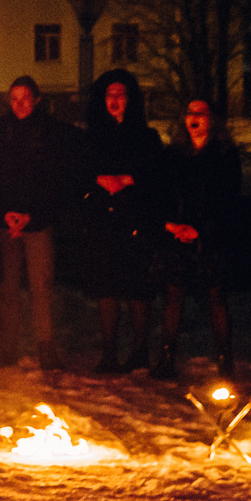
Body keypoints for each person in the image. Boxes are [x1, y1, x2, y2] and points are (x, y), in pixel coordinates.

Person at [0, 75, 83, 370]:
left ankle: (46, 347)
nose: (20, 105)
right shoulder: (2, 132)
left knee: (41, 286)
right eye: (14, 99)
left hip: (37, 221)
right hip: (8, 222)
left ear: (37, 99)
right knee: (9, 286)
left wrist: (33, 215)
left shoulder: (50, 133)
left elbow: (54, 180)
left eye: (25, 98)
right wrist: (6, 213)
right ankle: (7, 346)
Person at [78, 68, 163, 373]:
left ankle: (140, 350)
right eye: (109, 95)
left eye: (120, 95)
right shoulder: (92, 136)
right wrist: (98, 180)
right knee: (107, 286)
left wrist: (130, 178)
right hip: (102, 219)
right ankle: (109, 352)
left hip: (134, 218)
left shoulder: (146, 136)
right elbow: (82, 172)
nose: (114, 100)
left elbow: (155, 174)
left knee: (136, 287)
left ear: (130, 99)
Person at [155, 98, 241, 378]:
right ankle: (167, 356)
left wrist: (202, 229)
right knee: (173, 295)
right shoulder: (174, 155)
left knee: (215, 295)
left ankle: (225, 358)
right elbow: (163, 192)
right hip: (177, 235)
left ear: (211, 120)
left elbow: (228, 200)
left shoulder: (225, 155)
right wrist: (170, 224)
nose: (194, 118)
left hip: (209, 236)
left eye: (200, 113)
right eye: (189, 112)